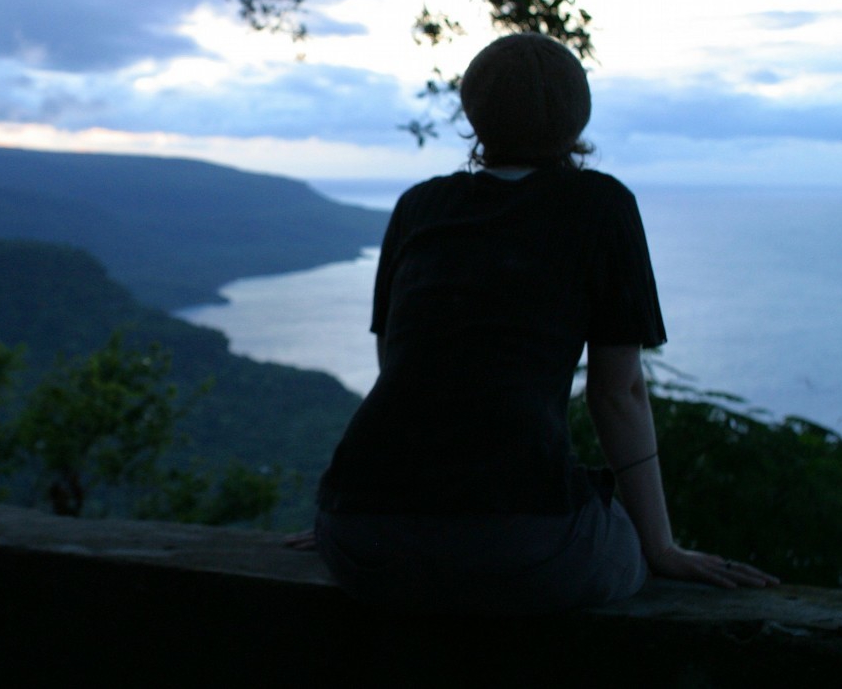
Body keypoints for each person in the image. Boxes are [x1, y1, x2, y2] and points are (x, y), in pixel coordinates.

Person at [301, 33, 777, 614]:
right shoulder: (600, 205)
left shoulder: (420, 206)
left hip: (359, 533)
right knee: (615, 541)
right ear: (576, 117)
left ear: (474, 113)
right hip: (523, 543)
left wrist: (353, 524)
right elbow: (618, 390)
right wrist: (659, 546)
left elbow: (399, 366)